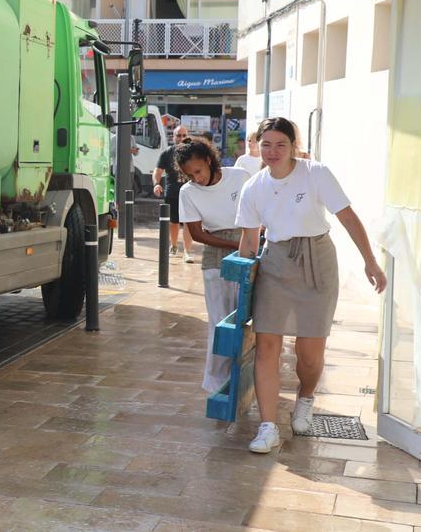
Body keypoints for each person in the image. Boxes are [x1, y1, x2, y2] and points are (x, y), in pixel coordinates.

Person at [236, 117, 387, 453]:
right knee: (268, 346)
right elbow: (248, 240)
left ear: (293, 146)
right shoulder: (254, 187)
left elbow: (347, 216)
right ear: (257, 146)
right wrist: (241, 282)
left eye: (280, 145)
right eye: (266, 144)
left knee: (309, 352)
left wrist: (370, 261)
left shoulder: (315, 173)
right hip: (274, 263)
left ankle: (305, 397)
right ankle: (267, 427)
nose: (273, 151)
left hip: (317, 261)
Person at [176, 138, 250, 392]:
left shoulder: (240, 176)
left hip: (249, 243)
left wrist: (249, 243)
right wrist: (235, 247)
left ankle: (245, 378)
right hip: (216, 251)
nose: (195, 178)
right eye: (189, 174)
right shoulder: (188, 192)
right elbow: (196, 234)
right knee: (220, 321)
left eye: (198, 171)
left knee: (250, 319)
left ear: (209, 160)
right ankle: (217, 383)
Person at [153, 125, 195, 263]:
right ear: (173, 137)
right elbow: (158, 171)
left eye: (184, 135)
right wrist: (157, 184)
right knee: (173, 222)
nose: (181, 138)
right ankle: (174, 245)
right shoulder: (167, 153)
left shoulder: (193, 153)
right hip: (172, 193)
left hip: (190, 193)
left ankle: (187, 252)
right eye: (178, 135)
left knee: (189, 223)